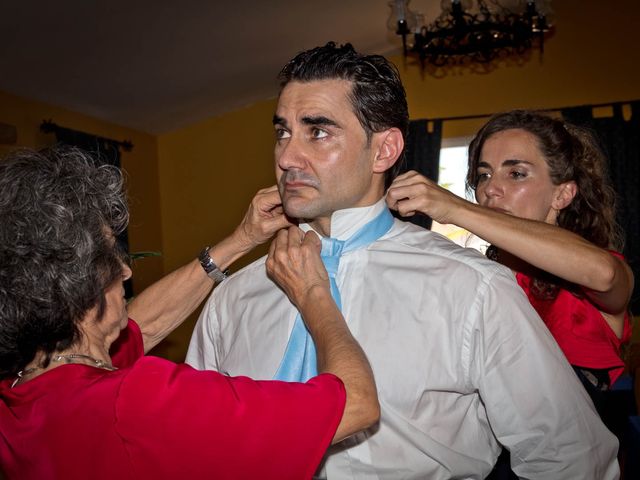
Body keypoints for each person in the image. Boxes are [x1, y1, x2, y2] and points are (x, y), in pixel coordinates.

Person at [186, 42, 620, 479]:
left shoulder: (470, 287)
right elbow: (194, 441)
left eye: (318, 132)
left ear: (384, 150)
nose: (286, 158)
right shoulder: (234, 298)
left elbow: (570, 458)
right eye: (283, 132)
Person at [0, 146, 380, 480]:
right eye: (110, 254)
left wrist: (241, 240)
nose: (127, 270)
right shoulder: (136, 403)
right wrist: (314, 292)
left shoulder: (19, 394)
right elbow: (357, 404)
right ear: (76, 284)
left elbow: (139, 326)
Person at [387, 110, 634, 408]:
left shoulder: (598, 269)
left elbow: (603, 274)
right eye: (484, 175)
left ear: (562, 194)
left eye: (516, 173)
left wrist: (454, 208)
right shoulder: (475, 276)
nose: (490, 188)